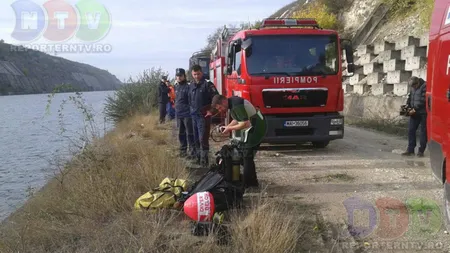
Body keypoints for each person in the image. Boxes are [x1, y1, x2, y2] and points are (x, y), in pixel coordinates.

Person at [208, 95, 267, 189]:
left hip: (257, 128)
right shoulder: (233, 103)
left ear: (223, 101)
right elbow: (237, 119)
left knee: (247, 156)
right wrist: (227, 127)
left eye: (220, 108)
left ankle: (249, 185)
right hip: (255, 125)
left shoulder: (236, 106)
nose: (220, 110)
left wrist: (229, 128)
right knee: (245, 155)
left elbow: (245, 123)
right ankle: (251, 181)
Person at [188, 64, 219, 167]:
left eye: (198, 74)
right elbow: (189, 99)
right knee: (196, 138)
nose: (196, 76)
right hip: (194, 115)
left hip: (203, 116)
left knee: (203, 139)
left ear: (202, 72)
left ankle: (204, 161)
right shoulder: (191, 85)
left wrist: (212, 110)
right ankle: (197, 159)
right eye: (194, 74)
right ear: (192, 74)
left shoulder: (207, 84)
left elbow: (216, 97)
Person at [401, 76, 427, 157]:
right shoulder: (412, 88)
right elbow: (410, 97)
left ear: (418, 82)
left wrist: (415, 109)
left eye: (415, 86)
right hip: (414, 113)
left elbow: (424, 100)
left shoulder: (425, 86)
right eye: (412, 86)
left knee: (423, 132)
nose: (414, 87)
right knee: (411, 130)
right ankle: (410, 149)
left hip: (423, 113)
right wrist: (408, 106)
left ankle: (421, 151)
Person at [174, 68, 195, 158]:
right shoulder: (176, 87)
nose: (179, 77)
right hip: (179, 114)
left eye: (180, 76)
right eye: (177, 76)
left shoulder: (188, 86)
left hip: (187, 114)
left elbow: (192, 100)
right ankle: (183, 151)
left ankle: (193, 152)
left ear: (184, 76)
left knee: (190, 134)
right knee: (181, 134)